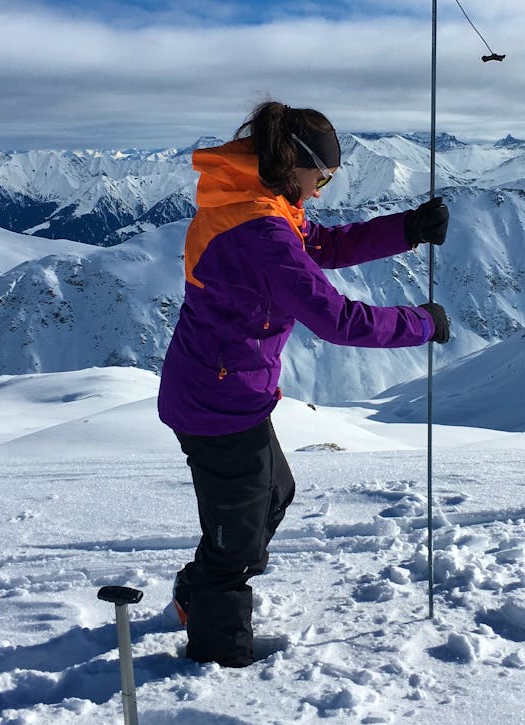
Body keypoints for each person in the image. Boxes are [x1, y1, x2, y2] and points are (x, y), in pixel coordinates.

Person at [157, 100, 451, 667]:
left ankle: (197, 591)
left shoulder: (258, 204)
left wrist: (407, 229)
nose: (321, 190)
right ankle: (220, 658)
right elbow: (337, 320)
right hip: (214, 402)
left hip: (230, 392)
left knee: (272, 494)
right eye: (322, 176)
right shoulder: (259, 231)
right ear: (294, 163)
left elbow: (322, 244)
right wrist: (421, 323)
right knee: (239, 537)